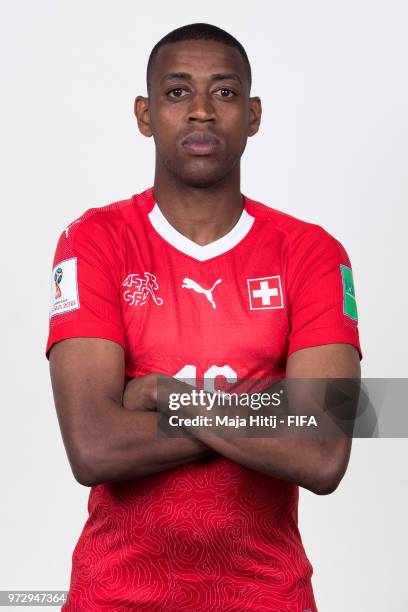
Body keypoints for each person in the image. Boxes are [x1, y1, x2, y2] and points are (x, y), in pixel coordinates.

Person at [46, 22, 362, 612]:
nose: (200, 111)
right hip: (113, 597)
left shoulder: (312, 252)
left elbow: (323, 453)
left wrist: (164, 393)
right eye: (176, 92)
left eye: (223, 91)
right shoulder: (94, 241)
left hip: (268, 597)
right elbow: (93, 447)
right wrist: (273, 407)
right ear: (144, 114)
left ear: (253, 113)